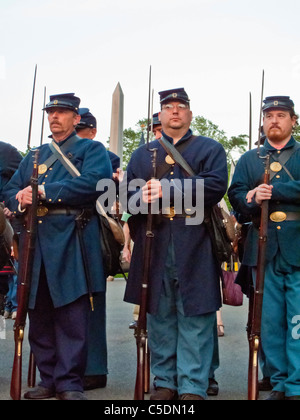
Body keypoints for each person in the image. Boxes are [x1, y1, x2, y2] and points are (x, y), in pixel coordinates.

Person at [3, 93, 112, 400]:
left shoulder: (91, 149)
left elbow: (96, 183)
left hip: (71, 237)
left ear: (76, 118)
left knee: (71, 315)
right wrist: (20, 198)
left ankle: (69, 382)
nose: (55, 117)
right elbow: (11, 191)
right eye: (51, 112)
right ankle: (47, 379)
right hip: (35, 241)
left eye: (62, 112)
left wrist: (44, 191)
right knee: (39, 314)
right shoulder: (35, 154)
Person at [124, 88, 228, 400]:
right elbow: (126, 196)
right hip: (153, 241)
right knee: (160, 314)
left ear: (190, 114)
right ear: (160, 115)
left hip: (195, 239)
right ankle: (165, 382)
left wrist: (167, 188)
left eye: (181, 107)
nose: (174, 112)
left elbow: (214, 187)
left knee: (195, 315)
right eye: (168, 107)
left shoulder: (209, 148)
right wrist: (140, 197)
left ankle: (193, 385)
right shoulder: (142, 154)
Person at [228, 96, 300, 400]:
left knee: (298, 319)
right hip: (263, 244)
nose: (274, 120)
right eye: (269, 115)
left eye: (281, 115)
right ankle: (279, 380)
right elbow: (236, 194)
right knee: (269, 320)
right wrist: (253, 198)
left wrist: (275, 191)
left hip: (297, 244)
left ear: (293, 121)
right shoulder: (249, 159)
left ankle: (297, 383)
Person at [76, 107, 120, 391]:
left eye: (81, 132)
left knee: (92, 303)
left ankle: (94, 367)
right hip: (56, 234)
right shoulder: (50, 156)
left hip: (92, 231)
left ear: (92, 132)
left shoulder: (108, 159)